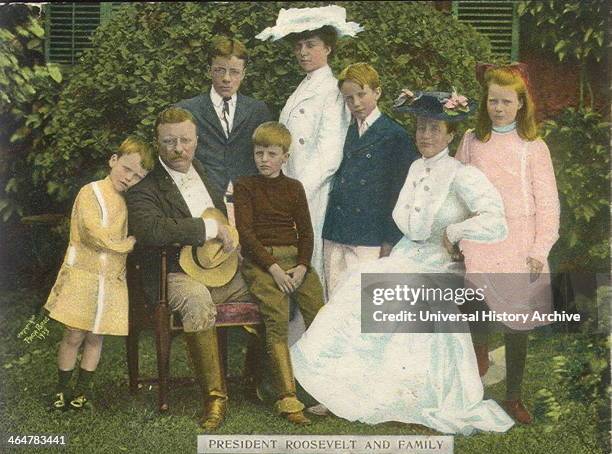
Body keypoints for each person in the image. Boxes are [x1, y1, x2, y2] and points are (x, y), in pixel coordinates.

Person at [290, 90, 515, 434]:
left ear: (451, 135)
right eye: (421, 128)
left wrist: (456, 231)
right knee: (359, 290)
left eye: (435, 130)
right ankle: (343, 390)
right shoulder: (414, 167)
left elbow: (496, 220)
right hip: (408, 254)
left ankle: (408, 395)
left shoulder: (462, 175)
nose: (426, 136)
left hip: (439, 265)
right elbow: (408, 221)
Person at [126, 107, 250, 430]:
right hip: (174, 275)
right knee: (197, 302)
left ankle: (265, 382)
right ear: (157, 143)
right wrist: (207, 228)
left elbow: (223, 215)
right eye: (169, 141)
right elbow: (152, 230)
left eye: (185, 140)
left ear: (196, 140)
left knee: (267, 289)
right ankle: (215, 399)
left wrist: (230, 232)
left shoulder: (204, 173)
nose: (179, 149)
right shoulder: (144, 189)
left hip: (220, 269)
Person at [455, 63, 560, 425]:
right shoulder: (472, 140)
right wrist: (457, 231)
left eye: (505, 102)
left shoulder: (533, 146)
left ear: (520, 104)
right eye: (492, 101)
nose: (497, 108)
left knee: (518, 321)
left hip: (519, 239)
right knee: (475, 307)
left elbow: (547, 203)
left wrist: (539, 249)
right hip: (482, 238)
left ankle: (513, 395)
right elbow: (456, 188)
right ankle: (477, 371)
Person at [256, 5, 362, 295]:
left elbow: (329, 155)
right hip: (290, 188)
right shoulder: (303, 87)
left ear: (328, 48)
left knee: (309, 264)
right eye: (299, 46)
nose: (303, 52)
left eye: (311, 45)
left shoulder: (331, 91)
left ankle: (310, 337)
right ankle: (293, 338)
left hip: (311, 193)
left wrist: (296, 191)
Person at [45, 137, 154, 411]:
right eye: (127, 169)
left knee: (96, 336)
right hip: (83, 275)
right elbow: (93, 234)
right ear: (113, 160)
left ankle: (82, 391)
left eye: (138, 176)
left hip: (111, 279)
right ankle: (62, 388)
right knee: (74, 334)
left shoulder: (128, 203)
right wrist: (126, 244)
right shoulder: (91, 192)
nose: (130, 179)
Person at [233, 122, 325, 425]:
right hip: (261, 262)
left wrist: (301, 267)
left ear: (285, 156)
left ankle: (327, 389)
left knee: (319, 314)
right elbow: (245, 234)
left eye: (272, 153)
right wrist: (274, 269)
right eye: (259, 153)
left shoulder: (294, 188)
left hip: (294, 260)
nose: (264, 159)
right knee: (277, 317)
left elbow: (307, 234)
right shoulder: (245, 185)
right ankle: (287, 397)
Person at [322, 62, 418, 294]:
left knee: (363, 304)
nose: (355, 103)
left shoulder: (395, 135)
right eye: (348, 98)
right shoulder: (343, 130)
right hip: (337, 232)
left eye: (361, 94)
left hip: (370, 237)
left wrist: (389, 241)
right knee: (335, 302)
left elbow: (402, 194)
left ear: (377, 92)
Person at [176, 36, 273, 199]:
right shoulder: (187, 110)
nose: (226, 78)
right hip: (202, 199)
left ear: (243, 74)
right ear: (209, 71)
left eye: (234, 72)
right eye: (220, 70)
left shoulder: (258, 111)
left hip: (249, 199)